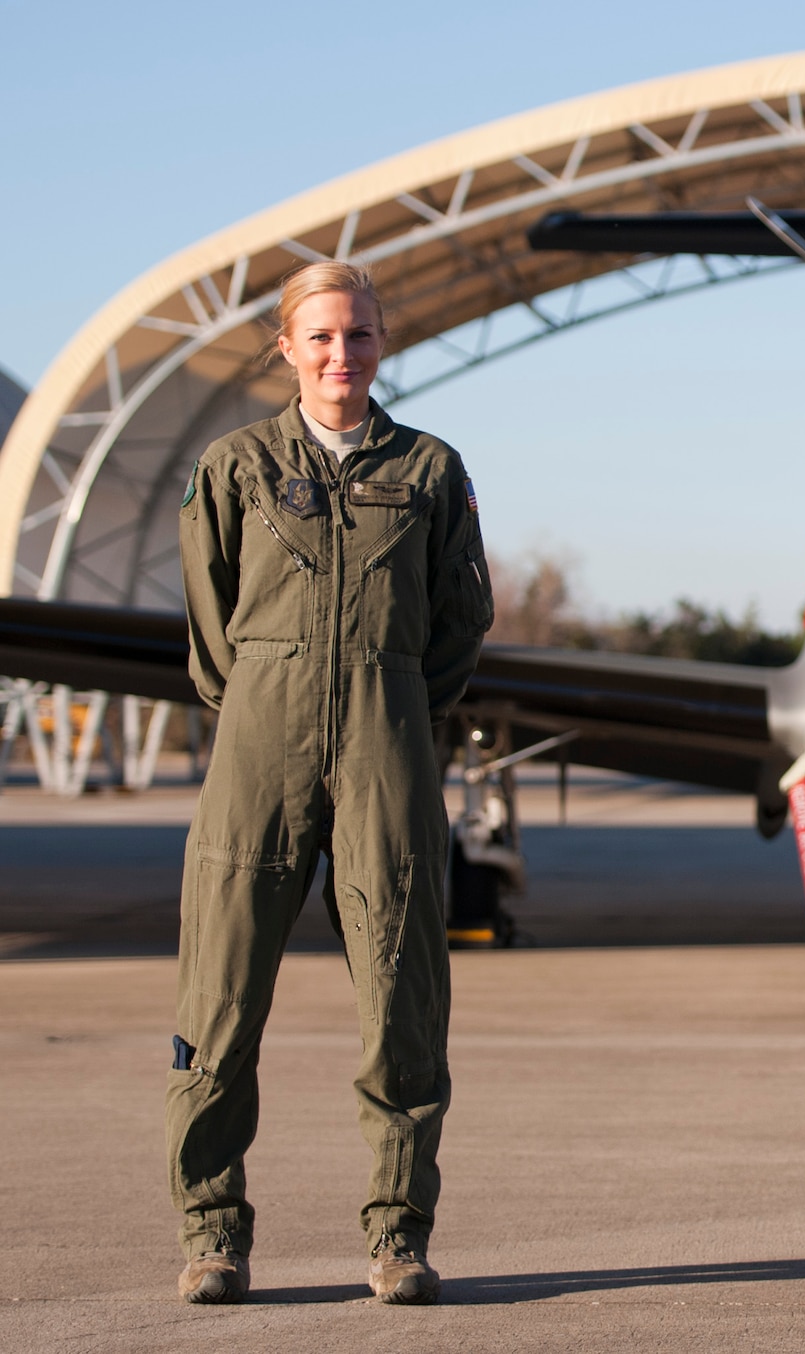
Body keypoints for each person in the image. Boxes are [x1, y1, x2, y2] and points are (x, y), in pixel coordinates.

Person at [169, 261, 493, 1305]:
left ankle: (399, 1235)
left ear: (381, 342)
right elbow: (209, 629)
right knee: (217, 1000)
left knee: (403, 1001)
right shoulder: (232, 467)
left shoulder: (432, 472)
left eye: (357, 335)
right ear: (286, 347)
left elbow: (458, 626)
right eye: (318, 337)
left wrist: (386, 695)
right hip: (258, 746)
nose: (339, 355)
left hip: (386, 747)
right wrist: (276, 692)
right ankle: (211, 1231)